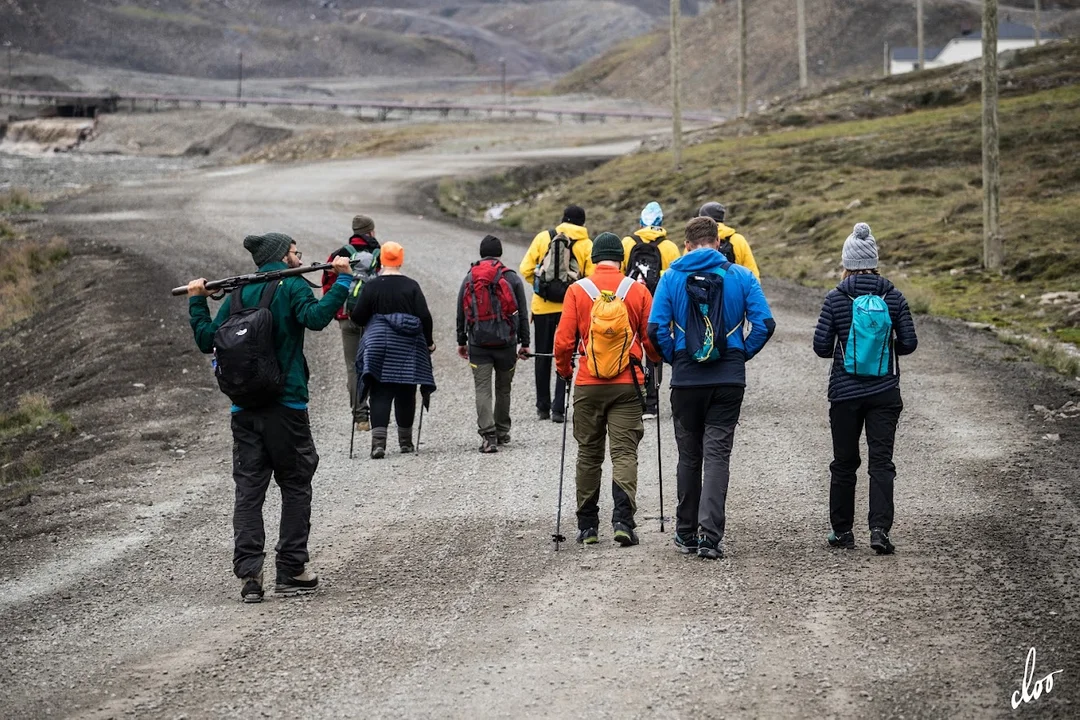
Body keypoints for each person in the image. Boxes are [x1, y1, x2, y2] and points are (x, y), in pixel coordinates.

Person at [187, 232, 354, 603]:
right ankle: (292, 569)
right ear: (283, 255)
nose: (300, 257)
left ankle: (250, 576)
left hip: (243, 409)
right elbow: (315, 318)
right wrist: (342, 279)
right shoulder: (292, 285)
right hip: (287, 404)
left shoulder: (236, 293)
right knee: (295, 484)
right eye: (296, 252)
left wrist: (198, 301)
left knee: (249, 490)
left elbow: (206, 340)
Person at [647, 217, 775, 560]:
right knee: (717, 455)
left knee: (689, 457)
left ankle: (685, 532)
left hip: (687, 378)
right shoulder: (741, 276)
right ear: (718, 242)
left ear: (687, 245)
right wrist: (740, 353)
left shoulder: (671, 277)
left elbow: (656, 327)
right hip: (728, 378)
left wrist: (676, 356)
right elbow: (764, 322)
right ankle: (710, 536)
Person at [813, 223, 918, 555]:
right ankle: (880, 531)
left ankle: (843, 531)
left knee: (844, 462)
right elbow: (910, 343)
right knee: (881, 462)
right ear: (875, 261)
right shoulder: (893, 295)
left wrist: (847, 350)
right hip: (885, 392)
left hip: (844, 393)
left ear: (846, 263)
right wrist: (884, 348)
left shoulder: (835, 297)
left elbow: (819, 346)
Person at [555, 233, 660, 547]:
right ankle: (623, 523)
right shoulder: (637, 290)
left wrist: (564, 371)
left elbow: (563, 342)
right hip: (627, 383)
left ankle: (588, 527)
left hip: (588, 383)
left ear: (593, 258)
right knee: (624, 453)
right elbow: (652, 338)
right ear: (622, 259)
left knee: (588, 455)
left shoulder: (578, 290)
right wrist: (652, 362)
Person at [350, 241, 436, 459]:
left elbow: (358, 317)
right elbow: (424, 316)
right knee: (406, 390)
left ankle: (378, 444)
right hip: (408, 344)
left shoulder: (372, 286)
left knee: (380, 391)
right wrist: (429, 342)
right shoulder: (411, 286)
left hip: (379, 344)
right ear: (401, 259)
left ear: (381, 260)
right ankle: (405, 442)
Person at [519, 205, 594, 424]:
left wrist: (541, 288)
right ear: (582, 222)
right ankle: (558, 408)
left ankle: (542, 406)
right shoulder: (586, 244)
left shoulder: (544, 237)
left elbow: (525, 268)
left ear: (563, 219)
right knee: (566, 355)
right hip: (570, 310)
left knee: (542, 355)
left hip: (542, 308)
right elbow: (590, 277)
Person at [456, 235, 530, 453]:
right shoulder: (511, 278)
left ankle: (488, 436)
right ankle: (502, 430)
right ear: (500, 253)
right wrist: (525, 343)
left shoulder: (470, 277)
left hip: (478, 343)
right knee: (503, 388)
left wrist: (462, 340)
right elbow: (522, 313)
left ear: (481, 253)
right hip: (506, 343)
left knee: (482, 388)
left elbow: (461, 311)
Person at [321, 214, 381, 432]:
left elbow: (327, 283)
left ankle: (361, 417)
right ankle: (379, 415)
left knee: (352, 367)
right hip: (374, 319)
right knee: (375, 364)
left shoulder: (339, 255)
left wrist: (337, 311)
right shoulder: (380, 254)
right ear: (371, 232)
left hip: (347, 317)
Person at [622, 201, 680, 420]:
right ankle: (652, 403)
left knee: (631, 348)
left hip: (630, 305)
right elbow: (675, 280)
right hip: (658, 306)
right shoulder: (670, 247)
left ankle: (634, 398)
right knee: (655, 351)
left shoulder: (628, 242)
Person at [697, 202, 760, 279]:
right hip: (734, 286)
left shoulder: (695, 239)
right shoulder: (737, 239)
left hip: (702, 288)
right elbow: (751, 270)